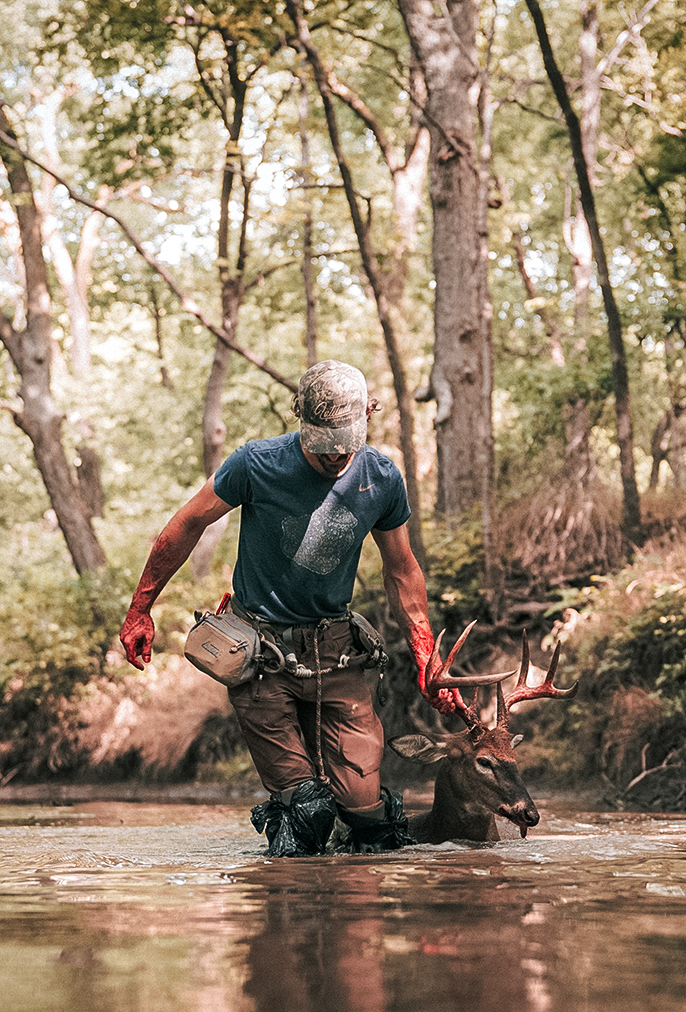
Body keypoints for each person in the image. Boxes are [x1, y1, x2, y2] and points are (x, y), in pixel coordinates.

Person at [117, 360, 458, 855]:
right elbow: (187, 523)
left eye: (347, 445)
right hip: (261, 659)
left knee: (370, 823)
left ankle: (353, 914)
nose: (337, 457)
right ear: (301, 421)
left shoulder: (381, 478)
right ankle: (288, 917)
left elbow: (402, 570)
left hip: (339, 655)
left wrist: (426, 655)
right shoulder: (255, 464)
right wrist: (140, 609)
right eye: (325, 448)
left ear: (368, 416)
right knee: (307, 814)